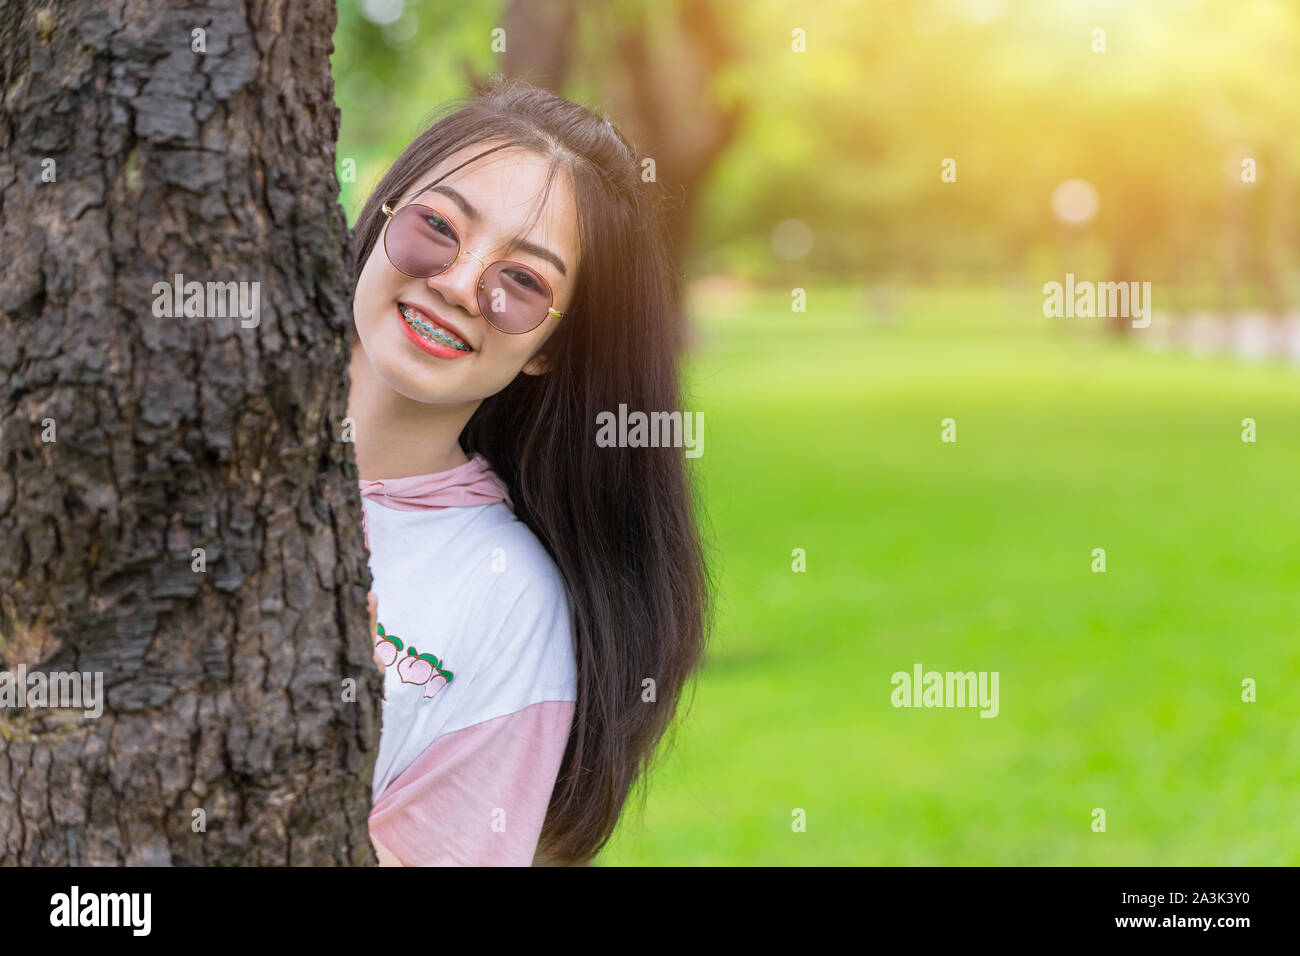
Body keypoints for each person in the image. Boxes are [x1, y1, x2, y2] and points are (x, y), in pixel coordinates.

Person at [346, 75, 711, 866]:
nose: (457, 285)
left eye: (523, 282)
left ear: (547, 348)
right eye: (437, 227)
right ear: (380, 216)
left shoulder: (510, 600)